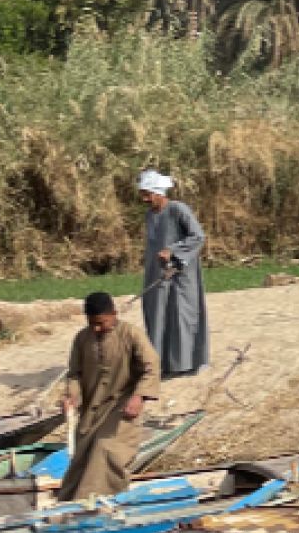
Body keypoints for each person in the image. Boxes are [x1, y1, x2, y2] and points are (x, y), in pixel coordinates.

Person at [59, 291, 160, 501]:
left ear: (114, 314)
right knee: (81, 460)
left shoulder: (131, 335)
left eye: (101, 323)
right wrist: (72, 396)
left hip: (121, 409)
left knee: (106, 452)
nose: (96, 328)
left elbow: (151, 367)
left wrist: (139, 396)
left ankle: (97, 504)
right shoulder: (82, 339)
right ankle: (70, 504)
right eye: (91, 324)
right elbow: (75, 373)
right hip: (91, 412)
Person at [137, 169, 210, 376]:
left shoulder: (179, 209)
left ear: (158, 193)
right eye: (142, 194)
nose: (144, 199)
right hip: (157, 273)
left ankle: (186, 364)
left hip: (181, 273)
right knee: (158, 313)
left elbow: (198, 237)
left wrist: (174, 252)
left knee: (181, 315)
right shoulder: (150, 215)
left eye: (147, 194)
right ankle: (161, 363)